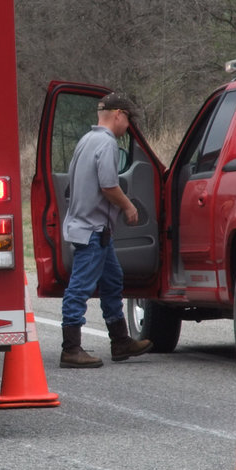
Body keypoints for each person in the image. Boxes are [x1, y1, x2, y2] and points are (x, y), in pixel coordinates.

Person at [59, 92, 153, 368]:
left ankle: (120, 341)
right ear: (118, 115)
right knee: (80, 287)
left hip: (92, 228)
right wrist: (128, 207)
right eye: (128, 120)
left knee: (113, 281)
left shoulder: (87, 140)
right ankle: (71, 349)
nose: (128, 127)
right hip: (92, 229)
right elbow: (109, 185)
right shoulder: (107, 144)